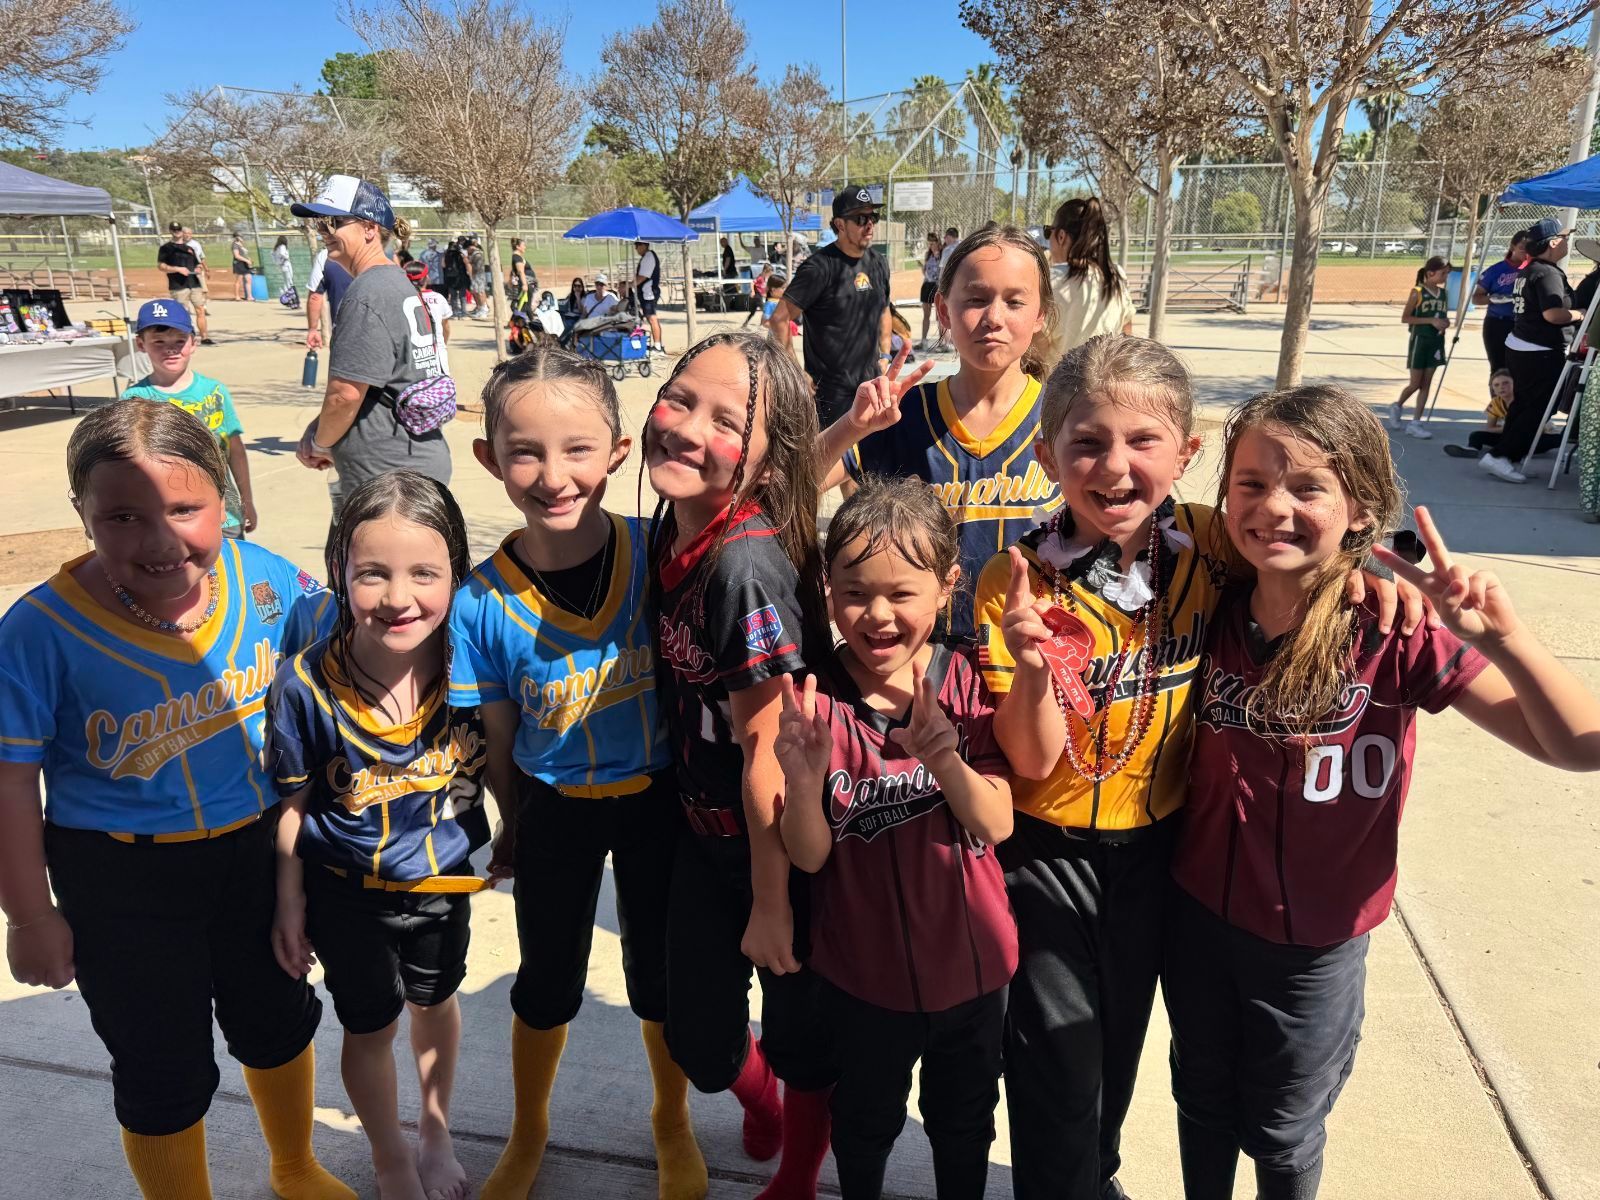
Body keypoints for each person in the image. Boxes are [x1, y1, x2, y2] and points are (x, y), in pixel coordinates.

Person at [969, 335, 1420, 1200]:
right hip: (1046, 856)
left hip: (1160, 859)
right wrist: (1032, 668)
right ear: (1044, 454)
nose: (1115, 467)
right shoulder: (1013, 579)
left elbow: (1310, 550)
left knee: (1117, 1060)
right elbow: (1027, 759)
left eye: (1144, 442)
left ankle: (1091, 1178)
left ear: (1187, 452)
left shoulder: (1213, 547)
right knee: (1055, 1065)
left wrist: (1371, 577)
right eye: (1087, 442)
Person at [1166, 385, 1600, 1200]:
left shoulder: (1391, 631)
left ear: (1360, 505)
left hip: (1313, 946)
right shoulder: (1209, 606)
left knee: (1284, 1130)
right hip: (1195, 918)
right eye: (1252, 483)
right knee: (1203, 1100)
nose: (1274, 509)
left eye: (1308, 487)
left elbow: (1580, 745)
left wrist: (1507, 641)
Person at [0, 400, 348, 1200]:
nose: (159, 539)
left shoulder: (265, 580)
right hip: (122, 881)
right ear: (81, 515)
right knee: (160, 1064)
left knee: (277, 1018)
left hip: (257, 853)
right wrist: (30, 915)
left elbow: (352, 653)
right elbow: (12, 783)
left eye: (186, 508)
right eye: (121, 515)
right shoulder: (38, 632)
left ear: (226, 496)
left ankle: (295, 1167)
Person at [450, 347, 707, 1200]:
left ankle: (669, 1120)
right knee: (546, 978)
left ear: (621, 451)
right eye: (524, 451)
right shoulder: (481, 602)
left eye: (576, 449)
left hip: (659, 801)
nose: (553, 475)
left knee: (658, 976)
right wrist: (511, 823)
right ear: (488, 459)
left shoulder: (661, 552)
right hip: (556, 809)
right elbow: (496, 728)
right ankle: (529, 1131)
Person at [775, 476, 1018, 1200]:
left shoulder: (966, 681)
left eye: (901, 593)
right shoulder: (819, 699)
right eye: (854, 593)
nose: (877, 615)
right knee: (866, 1119)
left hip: (972, 972)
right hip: (863, 979)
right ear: (827, 587)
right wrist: (804, 771)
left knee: (964, 1119)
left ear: (947, 587)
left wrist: (943, 755)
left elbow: (996, 822)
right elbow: (812, 855)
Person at [646, 331, 839, 1200]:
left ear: (764, 464)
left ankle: (799, 1175)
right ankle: (757, 1102)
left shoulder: (744, 568)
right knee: (701, 1039)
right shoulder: (673, 523)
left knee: (802, 1037)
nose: (687, 427)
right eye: (680, 398)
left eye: (726, 419)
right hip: (699, 833)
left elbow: (766, 753)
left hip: (777, 851)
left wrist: (771, 906)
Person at [268, 471, 486, 1200]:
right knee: (368, 1028)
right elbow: (293, 806)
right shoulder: (304, 686)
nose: (399, 597)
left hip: (444, 886)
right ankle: (390, 1156)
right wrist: (290, 902)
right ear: (339, 571)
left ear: (457, 571)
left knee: (434, 1003)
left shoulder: (473, 668)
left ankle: (434, 1131)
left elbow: (507, 765)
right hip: (345, 895)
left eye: (425, 572)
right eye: (373, 574)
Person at [815, 225, 1059, 641]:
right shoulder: (905, 412)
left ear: (1040, 315)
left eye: (1015, 302)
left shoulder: (1063, 417)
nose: (994, 318)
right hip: (925, 655)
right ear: (944, 311)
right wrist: (852, 426)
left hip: (1033, 655)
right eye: (976, 299)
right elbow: (796, 481)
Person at [291, 175, 452, 510]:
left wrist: (320, 443)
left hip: (388, 479)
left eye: (333, 222)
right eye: (320, 224)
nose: (324, 232)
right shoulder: (396, 282)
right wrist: (321, 429)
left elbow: (345, 395)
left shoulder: (367, 293)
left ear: (369, 228)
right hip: (408, 465)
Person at [124, 299, 257, 538]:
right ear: (141, 344)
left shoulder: (214, 391)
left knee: (230, 572)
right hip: (166, 519)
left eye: (179, 341)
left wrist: (247, 500)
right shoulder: (135, 399)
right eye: (159, 342)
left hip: (224, 515)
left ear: (193, 343)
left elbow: (234, 450)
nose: (170, 349)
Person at [770, 187, 892, 429]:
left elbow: (884, 309)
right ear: (840, 224)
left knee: (869, 461)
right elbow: (779, 319)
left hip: (870, 387)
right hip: (830, 396)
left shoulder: (878, 263)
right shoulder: (819, 267)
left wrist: (885, 355)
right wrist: (796, 373)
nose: (869, 225)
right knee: (830, 463)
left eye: (873, 218)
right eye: (861, 219)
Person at [1481, 216, 1582, 484]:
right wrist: (1578, 314)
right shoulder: (1546, 272)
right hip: (1539, 350)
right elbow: (1552, 314)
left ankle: (1508, 456)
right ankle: (1502, 455)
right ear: (1552, 242)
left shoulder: (1529, 270)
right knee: (1537, 408)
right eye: (1564, 238)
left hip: (1522, 346)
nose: (1567, 242)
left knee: (1523, 404)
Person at [1043, 198, 1135, 365]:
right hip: (1101, 383)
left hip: (1056, 385)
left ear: (1061, 236)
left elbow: (1037, 346)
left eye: (1048, 232)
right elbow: (1126, 333)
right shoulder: (1117, 277)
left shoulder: (1051, 279)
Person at [1386, 255, 1448, 441]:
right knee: (1416, 383)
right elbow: (1406, 318)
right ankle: (1397, 406)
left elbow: (1441, 316)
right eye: (1443, 273)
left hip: (1436, 342)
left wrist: (1444, 322)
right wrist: (1431, 320)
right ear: (1431, 273)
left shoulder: (1443, 293)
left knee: (1427, 383)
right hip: (1419, 341)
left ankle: (1416, 423)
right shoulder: (1418, 292)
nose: (1445, 277)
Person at [1472, 230, 1529, 375]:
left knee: (1520, 369)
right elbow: (1476, 297)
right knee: (1499, 369)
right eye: (1522, 247)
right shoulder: (1496, 270)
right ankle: (1498, 398)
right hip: (1498, 323)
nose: (1526, 251)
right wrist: (1493, 299)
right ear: (1512, 247)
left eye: (1530, 247)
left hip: (1523, 324)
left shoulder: (1532, 269)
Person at [157, 220, 214, 345]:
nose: (176, 232)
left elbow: (197, 263)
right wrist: (177, 269)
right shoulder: (166, 248)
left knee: (200, 309)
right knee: (183, 311)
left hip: (193, 283)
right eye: (174, 230)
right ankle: (187, 337)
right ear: (171, 231)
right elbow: (161, 266)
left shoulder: (189, 248)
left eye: (178, 230)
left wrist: (199, 267)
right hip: (178, 285)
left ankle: (205, 337)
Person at [404, 259, 455, 377]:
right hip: (437, 357)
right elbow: (446, 327)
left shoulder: (402, 299)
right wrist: (443, 344)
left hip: (412, 358)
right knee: (440, 391)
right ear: (426, 277)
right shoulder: (438, 298)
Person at [558, 274, 622, 349]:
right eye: (597, 284)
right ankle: (567, 345)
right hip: (590, 323)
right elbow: (584, 313)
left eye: (602, 284)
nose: (599, 287)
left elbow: (617, 311)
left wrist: (612, 312)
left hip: (604, 323)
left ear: (606, 286)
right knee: (573, 327)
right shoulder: (589, 297)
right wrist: (579, 323)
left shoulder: (611, 298)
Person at [634, 239, 666, 353]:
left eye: (638, 245)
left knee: (652, 318)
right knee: (650, 318)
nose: (636, 248)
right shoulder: (646, 257)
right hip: (646, 292)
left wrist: (629, 284)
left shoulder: (648, 257)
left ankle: (658, 346)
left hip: (649, 293)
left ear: (644, 245)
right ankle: (657, 345)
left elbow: (642, 277)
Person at [918, 232, 942, 348]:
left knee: (939, 315)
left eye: (933, 243)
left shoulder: (942, 254)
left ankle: (942, 342)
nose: (931, 245)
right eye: (930, 243)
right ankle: (924, 341)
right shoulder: (928, 255)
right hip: (927, 285)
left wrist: (938, 256)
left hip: (937, 286)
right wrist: (923, 268)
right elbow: (926, 272)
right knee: (926, 315)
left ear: (938, 242)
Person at [442, 238, 470, 319]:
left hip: (450, 278)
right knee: (462, 296)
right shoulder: (460, 254)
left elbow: (443, 265)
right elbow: (466, 263)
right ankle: (464, 313)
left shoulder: (447, 255)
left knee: (453, 296)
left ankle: (455, 312)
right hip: (461, 277)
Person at [744, 261, 774, 328]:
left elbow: (762, 288)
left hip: (759, 296)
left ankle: (745, 323)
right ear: (765, 271)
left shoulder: (764, 278)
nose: (769, 275)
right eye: (769, 273)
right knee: (765, 310)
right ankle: (762, 324)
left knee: (752, 312)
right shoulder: (760, 277)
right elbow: (752, 283)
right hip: (757, 296)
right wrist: (753, 291)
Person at [468, 238, 489, 317]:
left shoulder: (477, 253)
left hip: (479, 275)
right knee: (476, 292)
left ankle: (484, 308)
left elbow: (476, 266)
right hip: (476, 275)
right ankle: (480, 308)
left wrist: (472, 273)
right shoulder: (474, 253)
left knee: (480, 292)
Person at [508, 238, 530, 312]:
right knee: (520, 305)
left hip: (523, 282)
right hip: (522, 284)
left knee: (525, 305)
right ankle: (519, 320)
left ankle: (523, 319)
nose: (525, 247)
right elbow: (520, 271)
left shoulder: (517, 257)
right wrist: (524, 284)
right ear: (518, 247)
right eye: (523, 245)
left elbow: (514, 271)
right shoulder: (517, 257)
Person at [232, 232, 252, 301]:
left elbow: (245, 254)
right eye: (240, 236)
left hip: (245, 264)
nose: (242, 238)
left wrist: (249, 259)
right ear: (237, 237)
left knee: (248, 279)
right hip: (239, 263)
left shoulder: (241, 245)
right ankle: (237, 296)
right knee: (239, 280)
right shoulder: (235, 245)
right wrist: (246, 260)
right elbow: (236, 256)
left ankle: (249, 296)